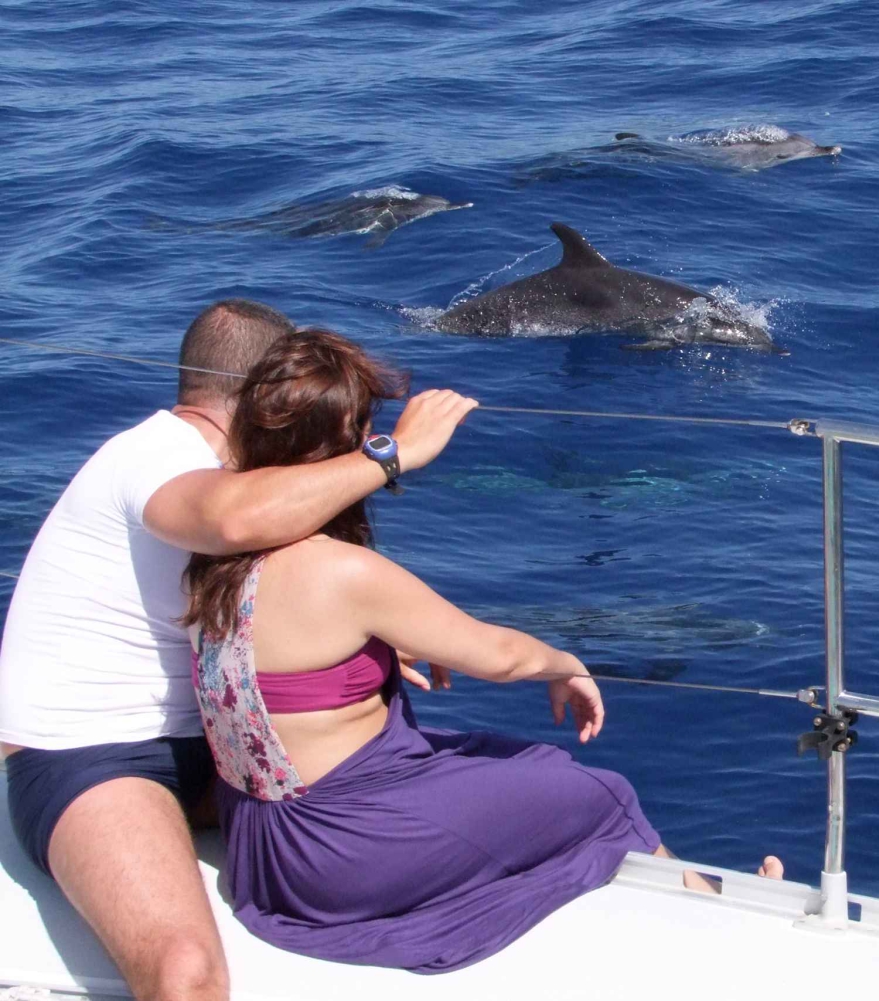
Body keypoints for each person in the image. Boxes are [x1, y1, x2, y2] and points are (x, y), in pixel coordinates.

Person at [182, 328, 783, 973]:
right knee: (599, 793)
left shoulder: (208, 562)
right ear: (341, 447)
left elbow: (290, 659)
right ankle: (724, 921)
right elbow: (501, 656)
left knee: (497, 755)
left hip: (262, 847)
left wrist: (378, 652)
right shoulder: (340, 572)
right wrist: (569, 666)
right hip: (336, 857)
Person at [0, 300, 480, 1001]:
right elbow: (233, 520)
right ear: (264, 392)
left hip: (212, 739)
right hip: (90, 755)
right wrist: (390, 453)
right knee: (185, 973)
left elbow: (255, 598)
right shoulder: (161, 454)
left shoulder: (231, 471)